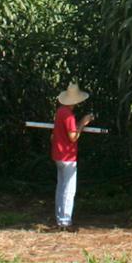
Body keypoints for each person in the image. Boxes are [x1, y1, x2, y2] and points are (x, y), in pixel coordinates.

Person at [50, 83, 93, 231]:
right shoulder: (68, 115)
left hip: (58, 154)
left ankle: (60, 218)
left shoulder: (60, 112)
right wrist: (83, 122)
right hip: (67, 156)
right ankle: (66, 221)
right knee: (69, 189)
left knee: (61, 187)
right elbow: (73, 136)